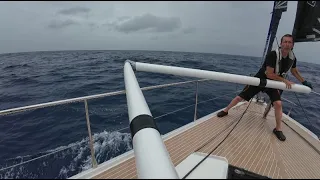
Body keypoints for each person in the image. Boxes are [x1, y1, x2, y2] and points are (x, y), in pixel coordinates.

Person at [216, 34, 313, 141]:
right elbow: (269, 74)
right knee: (240, 98)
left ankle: (278, 129)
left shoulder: (292, 57)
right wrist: (284, 80)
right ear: (281, 44)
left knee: (278, 104)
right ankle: (226, 110)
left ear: (293, 45)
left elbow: (294, 71)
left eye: (289, 42)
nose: (287, 44)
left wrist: (304, 81)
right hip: (260, 80)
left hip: (274, 83)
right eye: (285, 42)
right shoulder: (273, 55)